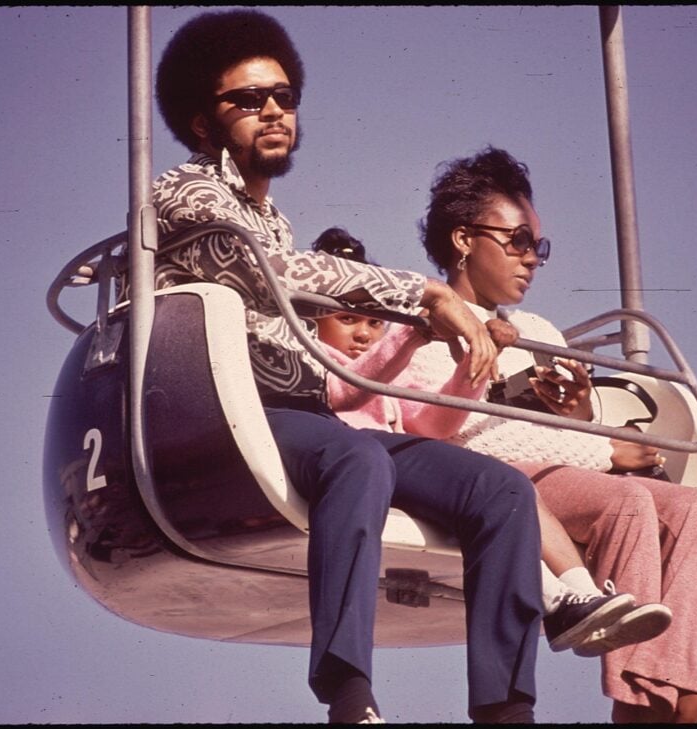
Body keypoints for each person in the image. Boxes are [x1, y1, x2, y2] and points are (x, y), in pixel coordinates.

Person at [125, 11, 542, 724]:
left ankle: (506, 707)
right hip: (228, 412)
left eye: (284, 96)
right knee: (357, 459)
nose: (273, 111)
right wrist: (424, 294)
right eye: (249, 100)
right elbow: (265, 271)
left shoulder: (276, 214)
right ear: (203, 122)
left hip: (305, 413)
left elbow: (294, 274)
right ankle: (348, 691)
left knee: (500, 492)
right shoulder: (182, 194)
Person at [399, 145, 697, 724]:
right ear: (464, 240)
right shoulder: (426, 323)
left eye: (537, 246)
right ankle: (638, 706)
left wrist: (580, 407)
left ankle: (687, 697)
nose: (531, 259)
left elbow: (565, 431)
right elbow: (462, 437)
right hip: (493, 480)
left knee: (691, 508)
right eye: (516, 241)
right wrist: (602, 446)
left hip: (560, 476)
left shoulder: (538, 331)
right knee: (628, 501)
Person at [312, 230, 674, 657]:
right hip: (366, 470)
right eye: (347, 319)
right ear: (315, 320)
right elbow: (349, 393)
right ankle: (560, 602)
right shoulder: (319, 359)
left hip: (412, 464)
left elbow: (430, 420)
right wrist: (409, 337)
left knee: (503, 489)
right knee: (494, 487)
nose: (364, 334)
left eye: (375, 322)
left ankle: (579, 594)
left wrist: (476, 364)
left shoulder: (394, 369)